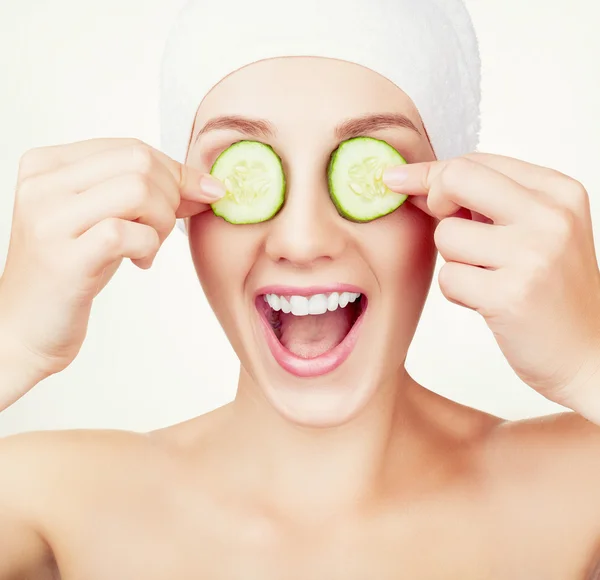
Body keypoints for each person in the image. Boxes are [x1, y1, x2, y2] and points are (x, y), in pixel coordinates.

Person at [1, 0, 600, 578]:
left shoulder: (579, 498)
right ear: (178, 206)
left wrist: (588, 360)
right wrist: (12, 342)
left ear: (455, 207)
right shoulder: (50, 506)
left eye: (374, 166)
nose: (303, 238)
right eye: (244, 166)